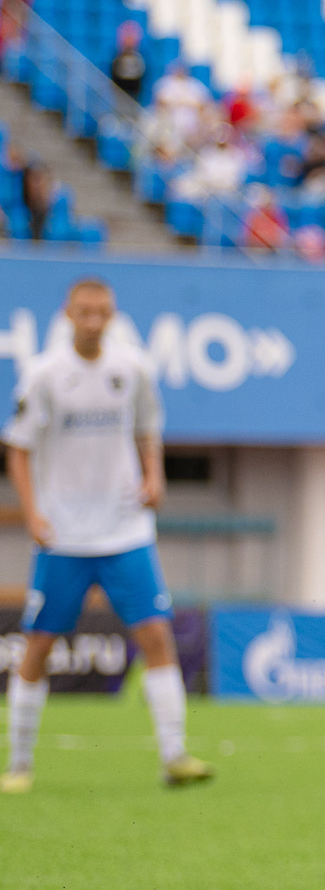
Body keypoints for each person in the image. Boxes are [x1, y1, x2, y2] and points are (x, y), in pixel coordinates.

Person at [4, 278, 211, 792]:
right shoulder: (44, 375)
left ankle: (175, 755)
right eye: (85, 312)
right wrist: (32, 513)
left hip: (126, 530)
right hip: (64, 534)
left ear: (113, 316)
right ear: (68, 314)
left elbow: (147, 427)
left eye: (103, 313)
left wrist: (154, 474)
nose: (95, 321)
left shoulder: (133, 368)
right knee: (39, 643)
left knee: (156, 634)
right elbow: (19, 448)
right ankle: (20, 763)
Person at [107, 22, 149, 104]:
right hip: (120, 95)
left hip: (135, 95)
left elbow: (142, 74)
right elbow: (114, 73)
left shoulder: (139, 57)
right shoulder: (117, 57)